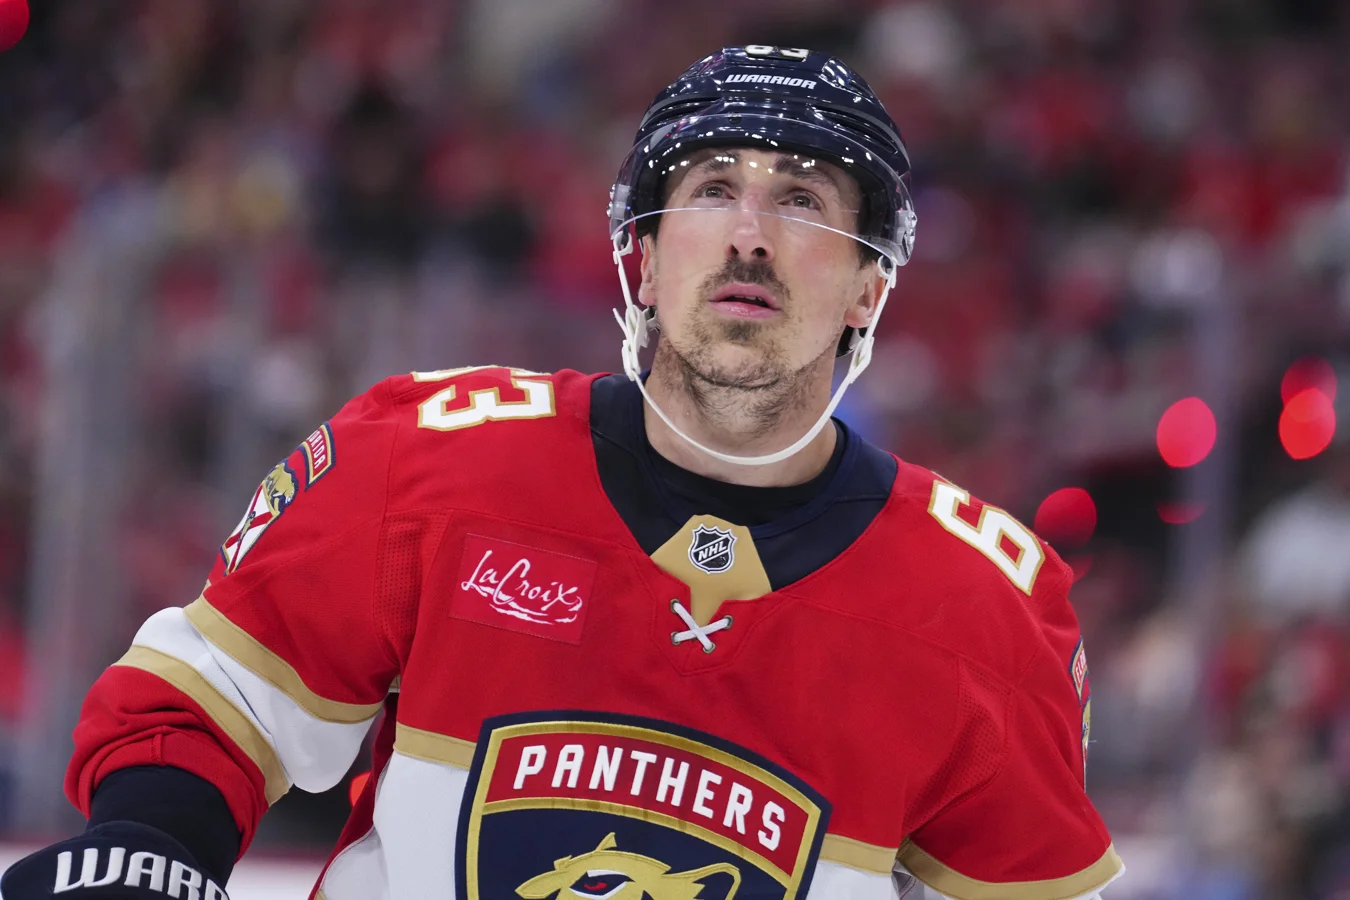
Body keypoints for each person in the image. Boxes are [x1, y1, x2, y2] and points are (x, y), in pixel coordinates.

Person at [0, 47, 1122, 900]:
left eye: (802, 199)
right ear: (643, 255)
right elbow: (220, 699)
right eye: (711, 189)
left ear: (870, 287)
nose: (750, 234)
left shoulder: (984, 604)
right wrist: (148, 851)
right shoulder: (431, 458)